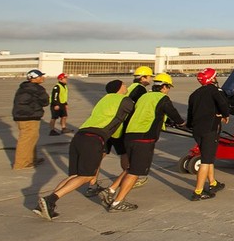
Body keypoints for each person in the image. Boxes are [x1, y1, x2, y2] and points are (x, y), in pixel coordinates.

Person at [34, 80, 135, 221]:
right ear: (119, 88)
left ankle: (46, 204)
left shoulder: (104, 100)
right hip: (93, 139)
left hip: (80, 136)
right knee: (87, 176)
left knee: (75, 175)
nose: (126, 87)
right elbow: (136, 115)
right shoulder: (125, 100)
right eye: (124, 85)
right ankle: (50, 199)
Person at [100, 73, 184, 212]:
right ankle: (117, 202)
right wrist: (182, 123)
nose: (168, 90)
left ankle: (111, 189)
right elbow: (173, 114)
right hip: (144, 138)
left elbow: (147, 113)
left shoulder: (144, 96)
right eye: (168, 87)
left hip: (130, 135)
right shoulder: (163, 98)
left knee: (131, 167)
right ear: (164, 87)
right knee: (135, 172)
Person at [100, 65, 155, 195]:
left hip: (111, 125)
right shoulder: (140, 90)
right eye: (149, 77)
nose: (151, 80)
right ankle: (129, 177)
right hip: (123, 126)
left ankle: (91, 181)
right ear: (143, 78)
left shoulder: (131, 88)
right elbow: (137, 108)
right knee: (125, 154)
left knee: (102, 153)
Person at [186, 68, 231, 200]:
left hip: (197, 130)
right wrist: (225, 114)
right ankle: (198, 192)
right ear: (212, 79)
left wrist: (188, 125)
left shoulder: (194, 94)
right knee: (205, 160)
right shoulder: (214, 91)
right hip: (210, 130)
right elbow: (223, 104)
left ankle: (213, 183)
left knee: (208, 156)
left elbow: (190, 115)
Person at [12, 69, 50, 169]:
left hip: (21, 116)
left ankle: (30, 159)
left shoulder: (23, 87)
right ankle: (21, 163)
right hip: (29, 117)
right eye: (40, 76)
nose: (43, 78)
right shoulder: (37, 89)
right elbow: (45, 101)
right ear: (34, 78)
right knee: (26, 139)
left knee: (31, 138)